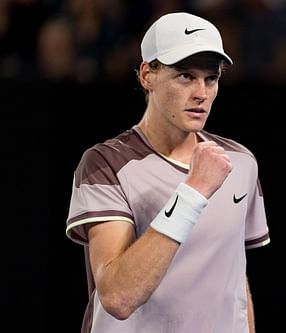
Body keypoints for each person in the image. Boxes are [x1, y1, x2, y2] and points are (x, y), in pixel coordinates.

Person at [65, 12, 270, 333]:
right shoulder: (105, 163)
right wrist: (193, 192)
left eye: (211, 78)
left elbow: (233, 278)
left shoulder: (240, 162)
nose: (201, 92)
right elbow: (118, 297)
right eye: (186, 76)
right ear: (147, 75)